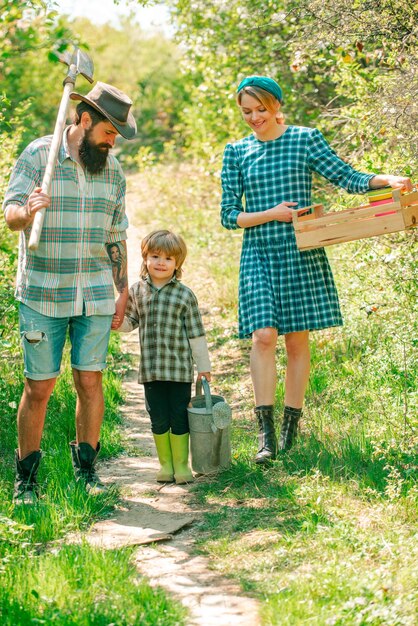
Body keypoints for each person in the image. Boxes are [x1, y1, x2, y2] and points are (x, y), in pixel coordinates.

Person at [220, 75, 412, 464]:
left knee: (295, 341)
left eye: (260, 109)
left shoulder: (305, 139)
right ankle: (265, 434)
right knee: (263, 336)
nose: (254, 118)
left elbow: (347, 177)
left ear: (275, 105)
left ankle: (291, 426)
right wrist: (271, 214)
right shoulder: (236, 152)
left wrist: (385, 179)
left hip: (302, 248)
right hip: (259, 250)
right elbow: (228, 215)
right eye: (247, 112)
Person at [3, 81, 137, 503]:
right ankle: (27, 480)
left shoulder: (112, 171)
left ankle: (87, 472)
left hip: (95, 292)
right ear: (84, 120)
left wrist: (122, 290)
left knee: (90, 380)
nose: (113, 142)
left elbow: (117, 236)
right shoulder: (38, 156)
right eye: (109, 132)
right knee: (39, 387)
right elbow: (10, 216)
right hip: (43, 292)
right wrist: (28, 212)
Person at [112, 229, 211, 484]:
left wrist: (203, 366)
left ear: (177, 263)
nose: (161, 263)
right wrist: (115, 321)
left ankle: (181, 466)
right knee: (157, 417)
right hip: (151, 371)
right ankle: (165, 466)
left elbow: (196, 334)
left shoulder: (184, 295)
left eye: (168, 259)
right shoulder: (137, 291)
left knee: (179, 416)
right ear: (145, 258)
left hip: (178, 371)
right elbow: (131, 321)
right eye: (155, 256)